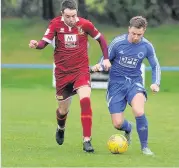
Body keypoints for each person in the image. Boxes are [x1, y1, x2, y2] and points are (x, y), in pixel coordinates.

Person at [28, 0, 111, 153]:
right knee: (62, 110)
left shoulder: (84, 24)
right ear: (62, 14)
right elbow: (43, 43)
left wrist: (106, 58)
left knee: (85, 100)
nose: (71, 19)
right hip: (62, 74)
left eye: (73, 16)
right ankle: (61, 127)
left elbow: (101, 39)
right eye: (68, 16)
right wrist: (36, 45)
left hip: (81, 71)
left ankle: (87, 140)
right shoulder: (55, 25)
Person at [92, 16, 161, 155]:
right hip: (116, 84)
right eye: (133, 33)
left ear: (144, 31)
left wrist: (155, 83)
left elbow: (155, 65)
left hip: (134, 83)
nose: (135, 37)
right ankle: (128, 128)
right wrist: (102, 64)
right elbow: (105, 57)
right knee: (117, 123)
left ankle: (144, 147)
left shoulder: (147, 46)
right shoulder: (118, 43)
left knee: (139, 111)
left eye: (139, 34)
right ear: (129, 29)